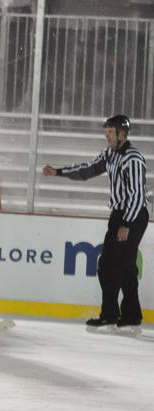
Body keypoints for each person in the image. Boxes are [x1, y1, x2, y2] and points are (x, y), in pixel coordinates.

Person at [43, 115, 149, 334]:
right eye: (106, 132)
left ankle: (110, 315)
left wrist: (126, 224)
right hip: (121, 215)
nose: (107, 136)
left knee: (107, 265)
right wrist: (59, 172)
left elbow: (137, 196)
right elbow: (88, 169)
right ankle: (131, 317)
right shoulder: (110, 154)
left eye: (110, 132)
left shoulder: (133, 158)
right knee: (126, 266)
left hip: (132, 215)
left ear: (122, 134)